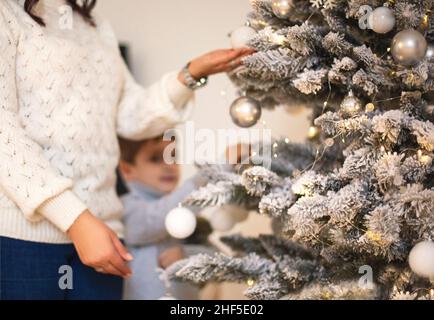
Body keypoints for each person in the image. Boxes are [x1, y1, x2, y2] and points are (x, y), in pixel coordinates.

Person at [0, 0, 254, 300]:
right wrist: (76, 220)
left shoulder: (96, 26)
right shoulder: (7, 12)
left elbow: (128, 116)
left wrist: (190, 74)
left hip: (105, 239)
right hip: (24, 240)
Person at [118, 136, 211, 300]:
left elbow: (221, 261)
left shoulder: (185, 216)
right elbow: (156, 220)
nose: (169, 166)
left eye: (173, 156)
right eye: (155, 159)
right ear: (127, 169)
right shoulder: (125, 205)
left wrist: (187, 255)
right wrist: (207, 176)